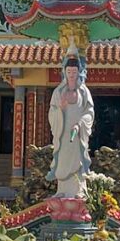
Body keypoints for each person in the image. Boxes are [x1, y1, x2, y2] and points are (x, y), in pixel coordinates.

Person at [46, 45, 94, 198]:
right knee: (63, 160)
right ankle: (62, 190)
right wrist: (60, 109)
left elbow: (89, 111)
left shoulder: (84, 91)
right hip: (63, 133)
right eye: (69, 72)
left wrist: (80, 124)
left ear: (78, 72)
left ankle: (79, 190)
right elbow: (51, 112)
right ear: (64, 73)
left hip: (77, 133)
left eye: (74, 72)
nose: (72, 75)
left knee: (78, 161)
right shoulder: (58, 92)